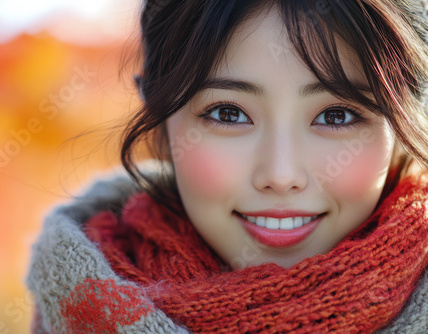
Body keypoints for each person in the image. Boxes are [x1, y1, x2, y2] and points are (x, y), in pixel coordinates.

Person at [27, 0, 428, 332]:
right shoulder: (74, 303)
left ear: (407, 120)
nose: (280, 175)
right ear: (161, 116)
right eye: (229, 113)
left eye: (337, 116)